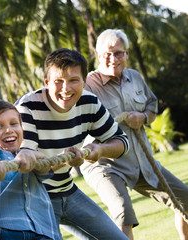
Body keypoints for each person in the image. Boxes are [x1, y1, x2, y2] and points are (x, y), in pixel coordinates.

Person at [81, 28, 188, 240]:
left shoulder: (135, 77)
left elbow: (152, 105)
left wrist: (144, 118)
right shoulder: (87, 85)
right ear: (98, 55)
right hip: (106, 165)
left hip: (142, 161)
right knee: (122, 214)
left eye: (119, 53)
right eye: (107, 54)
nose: (113, 58)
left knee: (186, 201)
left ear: (127, 54)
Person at [15, 48, 129, 239]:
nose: (66, 88)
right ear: (46, 82)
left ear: (84, 82)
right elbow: (31, 166)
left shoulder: (89, 102)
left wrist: (100, 150)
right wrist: (64, 161)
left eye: (74, 80)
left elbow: (122, 142)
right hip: (34, 199)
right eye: (58, 81)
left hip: (68, 191)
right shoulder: (27, 107)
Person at [0, 99, 62, 240]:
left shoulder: (29, 157)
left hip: (43, 231)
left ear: (22, 129)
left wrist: (31, 154)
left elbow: (45, 167)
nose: (8, 130)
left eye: (14, 124)